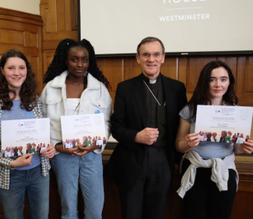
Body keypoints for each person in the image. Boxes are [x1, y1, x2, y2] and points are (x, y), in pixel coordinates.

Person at [108, 36, 187, 219]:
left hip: (163, 162)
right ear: (138, 58)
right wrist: (136, 136)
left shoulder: (176, 88)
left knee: (156, 213)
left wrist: (177, 160)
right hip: (132, 161)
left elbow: (182, 127)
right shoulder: (125, 88)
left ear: (163, 58)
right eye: (146, 55)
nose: (151, 59)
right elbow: (117, 128)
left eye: (156, 54)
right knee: (131, 214)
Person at [40, 38, 112, 219]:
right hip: (63, 157)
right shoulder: (51, 88)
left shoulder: (99, 89)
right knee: (68, 209)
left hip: (91, 156)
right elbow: (41, 123)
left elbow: (107, 122)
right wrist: (56, 146)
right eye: (74, 59)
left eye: (84, 59)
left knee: (95, 210)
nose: (80, 64)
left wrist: (96, 144)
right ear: (65, 60)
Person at [0, 49, 55, 219]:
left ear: (27, 71)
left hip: (39, 172)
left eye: (21, 68)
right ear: (2, 71)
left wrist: (49, 148)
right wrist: (12, 163)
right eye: (11, 68)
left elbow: (43, 134)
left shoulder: (35, 100)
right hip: (10, 175)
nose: (17, 73)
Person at [175, 60, 253, 219]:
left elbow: (236, 147)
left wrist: (243, 148)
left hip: (224, 168)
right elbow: (178, 145)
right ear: (205, 82)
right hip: (195, 168)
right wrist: (188, 144)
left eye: (223, 79)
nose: (218, 84)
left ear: (229, 82)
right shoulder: (189, 109)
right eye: (212, 79)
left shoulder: (237, 112)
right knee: (192, 214)